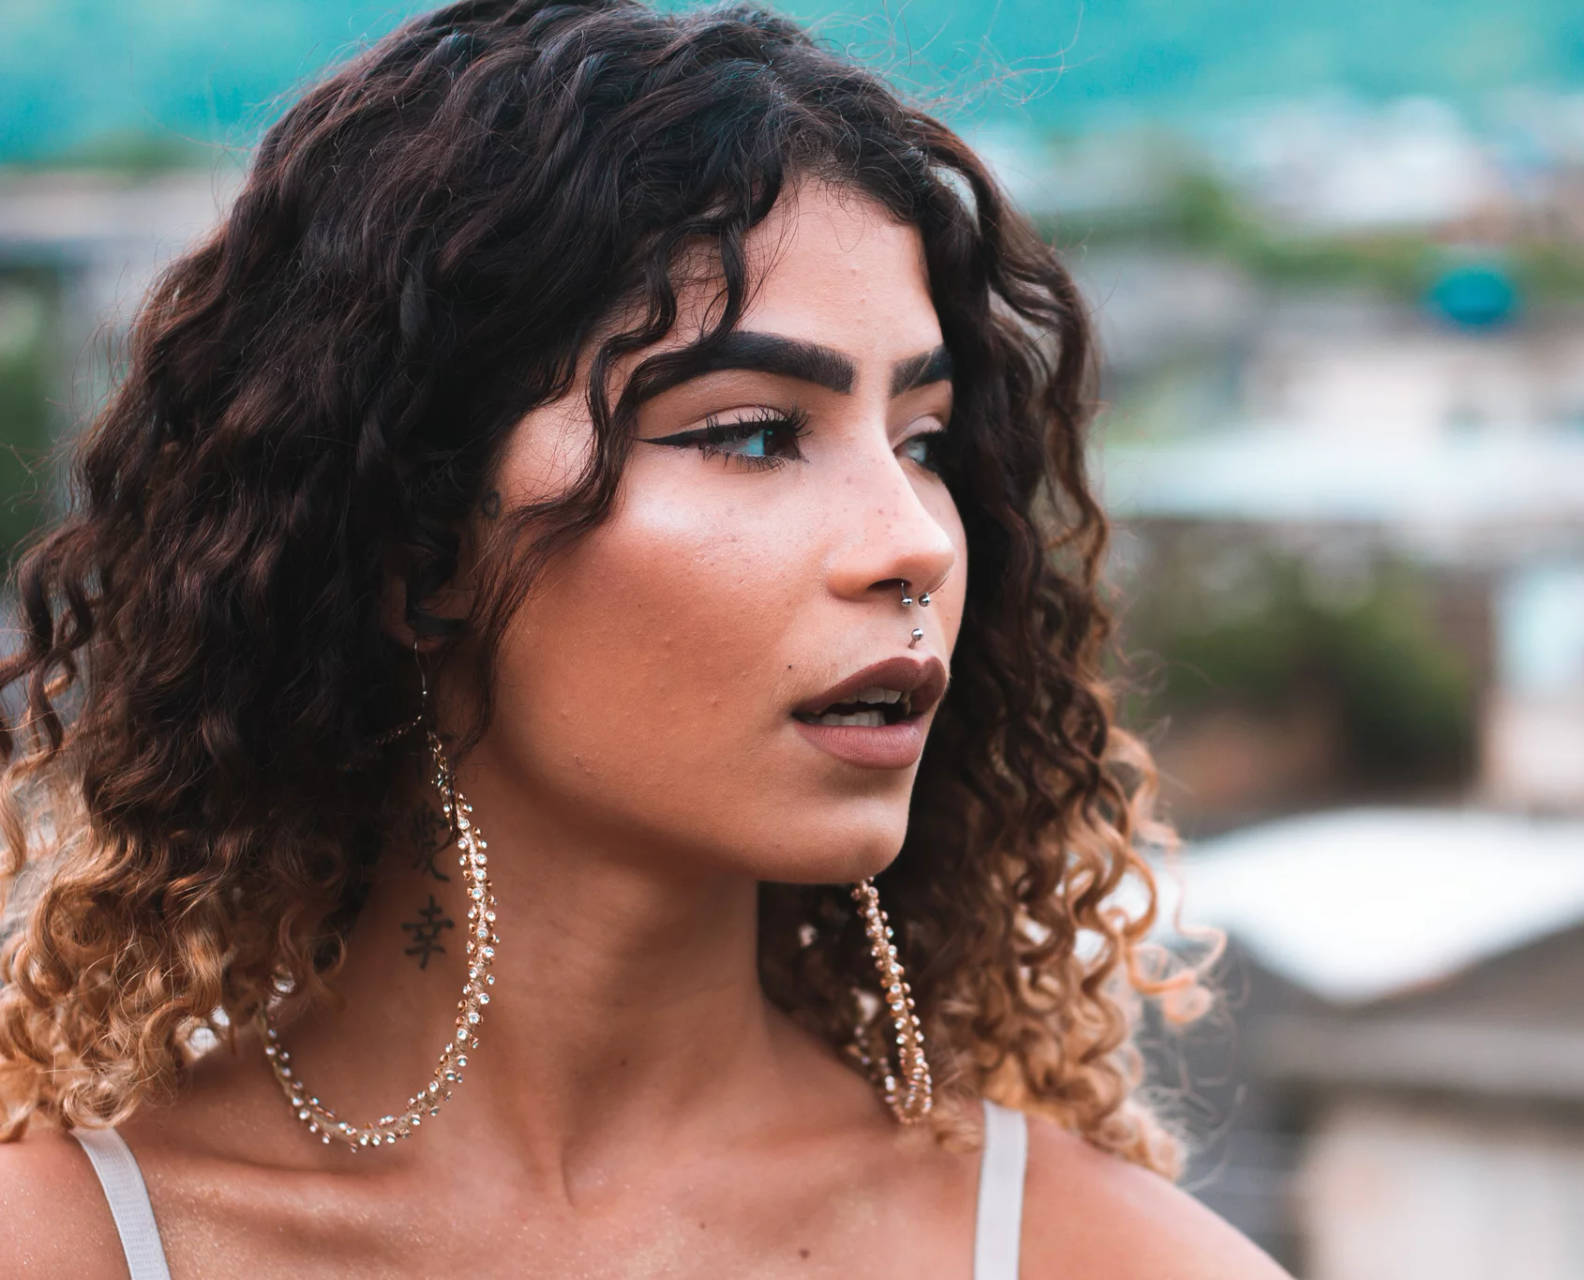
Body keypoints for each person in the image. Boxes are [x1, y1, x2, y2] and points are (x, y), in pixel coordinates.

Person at [0, 1, 1289, 1274]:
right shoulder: (74, 1240)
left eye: (925, 443)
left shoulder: (1093, 1257)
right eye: (750, 433)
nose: (918, 542)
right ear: (415, 552)